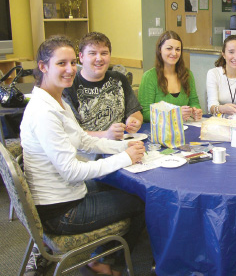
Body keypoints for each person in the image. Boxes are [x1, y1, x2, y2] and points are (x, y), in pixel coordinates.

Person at [20, 36, 146, 276]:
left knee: (125, 188)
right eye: (61, 64)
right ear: (43, 67)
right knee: (141, 201)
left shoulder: (57, 100)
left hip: (65, 194)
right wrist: (125, 159)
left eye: (71, 63)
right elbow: (72, 171)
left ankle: (104, 255)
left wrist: (123, 148)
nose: (69, 70)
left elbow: (84, 141)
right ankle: (105, 262)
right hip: (62, 211)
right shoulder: (44, 112)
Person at [63, 32, 143, 140]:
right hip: (88, 152)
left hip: (119, 146)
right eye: (92, 53)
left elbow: (135, 111)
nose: (99, 58)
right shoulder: (69, 85)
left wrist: (133, 120)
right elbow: (71, 133)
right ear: (81, 57)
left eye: (104, 53)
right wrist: (105, 135)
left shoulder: (119, 79)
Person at [138, 30, 203, 122]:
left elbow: (194, 102)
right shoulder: (149, 77)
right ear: (160, 50)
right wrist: (174, 114)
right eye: (169, 48)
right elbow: (145, 113)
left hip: (183, 128)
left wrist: (195, 110)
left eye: (177, 49)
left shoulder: (187, 74)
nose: (174, 53)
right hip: (158, 132)